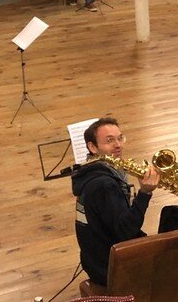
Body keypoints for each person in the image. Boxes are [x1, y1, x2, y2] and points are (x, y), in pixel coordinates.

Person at [72, 117, 160, 287]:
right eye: (109, 141)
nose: (118, 145)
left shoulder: (87, 172)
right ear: (92, 147)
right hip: (109, 267)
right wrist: (144, 193)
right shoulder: (104, 185)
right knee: (175, 249)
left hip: (93, 259)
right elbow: (125, 231)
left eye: (120, 138)